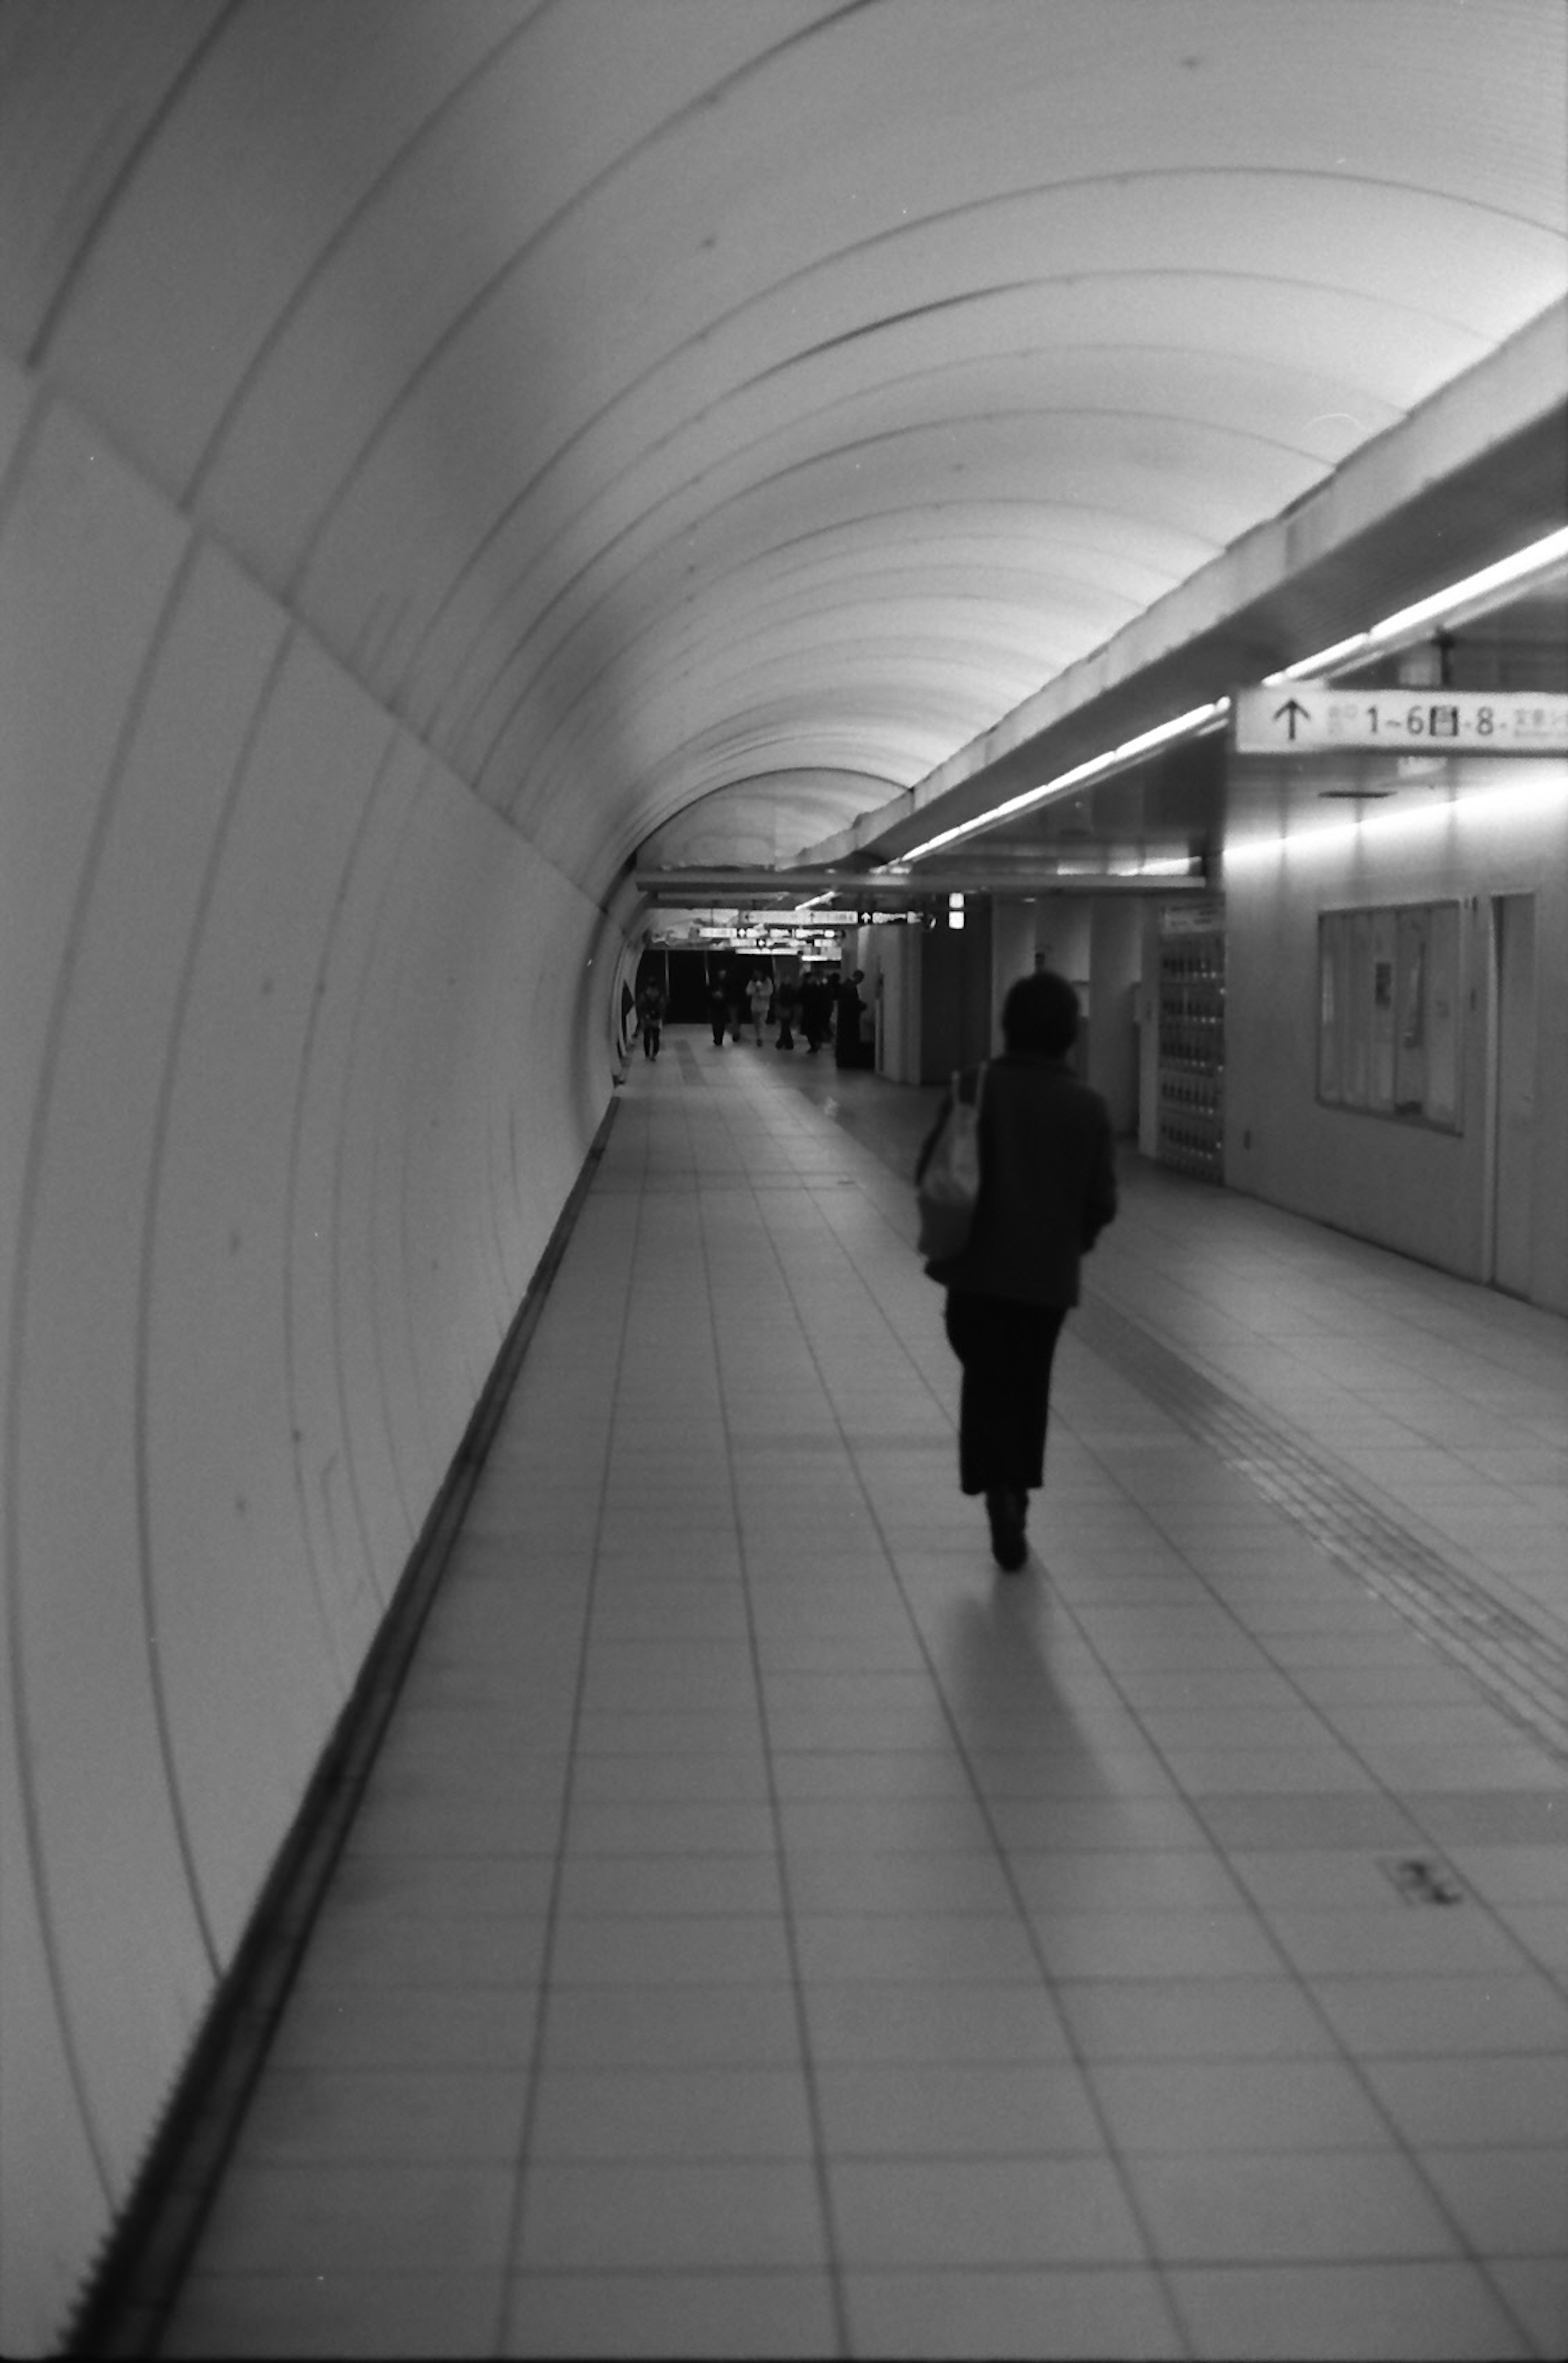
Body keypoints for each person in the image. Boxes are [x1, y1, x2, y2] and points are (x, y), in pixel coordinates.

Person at [915, 971, 1116, 1573]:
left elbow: (932, 1166)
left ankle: (993, 1487)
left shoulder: (975, 1086)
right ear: (1068, 1034)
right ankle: (1018, 1493)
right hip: (1046, 1281)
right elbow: (1102, 1201)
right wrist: (1068, 1242)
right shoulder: (1089, 1105)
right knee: (1030, 1383)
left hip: (974, 1272)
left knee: (985, 1378)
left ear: (1008, 1026)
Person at [833, 969, 865, 1068]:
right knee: (849, 1040)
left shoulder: (847, 985)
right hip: (849, 1020)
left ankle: (844, 1059)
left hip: (845, 1019)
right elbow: (852, 1003)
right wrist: (862, 1006)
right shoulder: (850, 988)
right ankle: (848, 1060)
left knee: (844, 1040)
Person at [800, 972, 833, 1054]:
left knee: (813, 1030)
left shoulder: (816, 987)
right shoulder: (820, 987)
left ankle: (815, 1044)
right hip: (815, 1012)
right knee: (814, 1030)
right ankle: (816, 1044)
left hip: (814, 1012)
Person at [635, 976, 666, 1060]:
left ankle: (647, 1054)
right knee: (656, 1037)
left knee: (647, 1036)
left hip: (646, 1019)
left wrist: (643, 1016)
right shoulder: (659, 995)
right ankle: (655, 1053)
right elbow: (662, 1006)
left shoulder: (644, 995)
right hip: (656, 1019)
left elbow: (639, 1005)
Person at [746, 969, 772, 1045]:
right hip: (755, 1006)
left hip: (764, 1006)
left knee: (762, 1022)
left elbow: (770, 992)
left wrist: (761, 993)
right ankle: (758, 1036)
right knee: (756, 1023)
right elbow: (748, 991)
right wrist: (755, 991)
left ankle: (761, 1038)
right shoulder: (752, 982)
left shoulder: (767, 981)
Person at [773, 975, 798, 1050]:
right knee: (786, 1027)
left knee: (785, 1027)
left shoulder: (783, 989)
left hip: (785, 1009)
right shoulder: (792, 989)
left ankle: (783, 1043)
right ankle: (788, 1043)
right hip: (789, 1010)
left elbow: (780, 999)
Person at [707, 973, 730, 1046]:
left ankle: (720, 1039)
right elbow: (709, 993)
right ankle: (717, 1038)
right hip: (714, 1006)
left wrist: (723, 996)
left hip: (723, 1006)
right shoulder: (714, 984)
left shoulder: (727, 985)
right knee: (715, 1023)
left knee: (722, 1023)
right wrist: (715, 995)